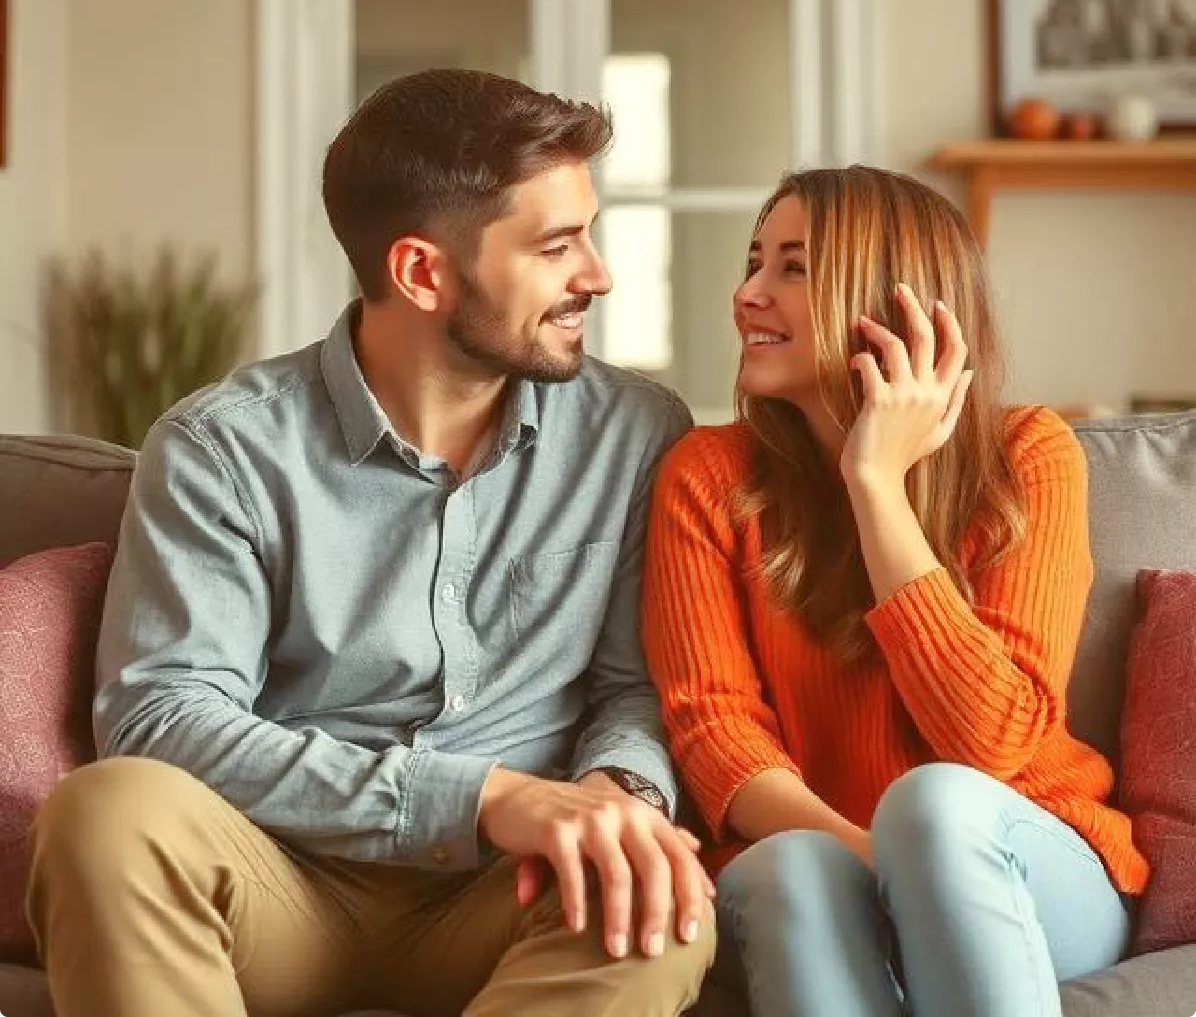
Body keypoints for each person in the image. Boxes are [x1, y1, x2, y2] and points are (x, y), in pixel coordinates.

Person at [27, 68, 716, 1017]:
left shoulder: (633, 433)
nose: (596, 274)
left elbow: (636, 685)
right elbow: (164, 716)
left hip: (506, 892)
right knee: (105, 815)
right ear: (421, 272)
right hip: (280, 876)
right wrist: (479, 797)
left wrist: (614, 794)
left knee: (660, 903)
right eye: (557, 247)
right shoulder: (221, 446)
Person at [641, 165, 1148, 1017]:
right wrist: (880, 861)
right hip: (832, 868)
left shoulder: (1028, 454)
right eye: (753, 261)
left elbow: (991, 743)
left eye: (792, 268)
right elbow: (716, 735)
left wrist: (875, 482)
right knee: (787, 865)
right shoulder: (707, 474)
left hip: (1025, 868)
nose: (748, 293)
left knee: (938, 806)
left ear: (890, 299)